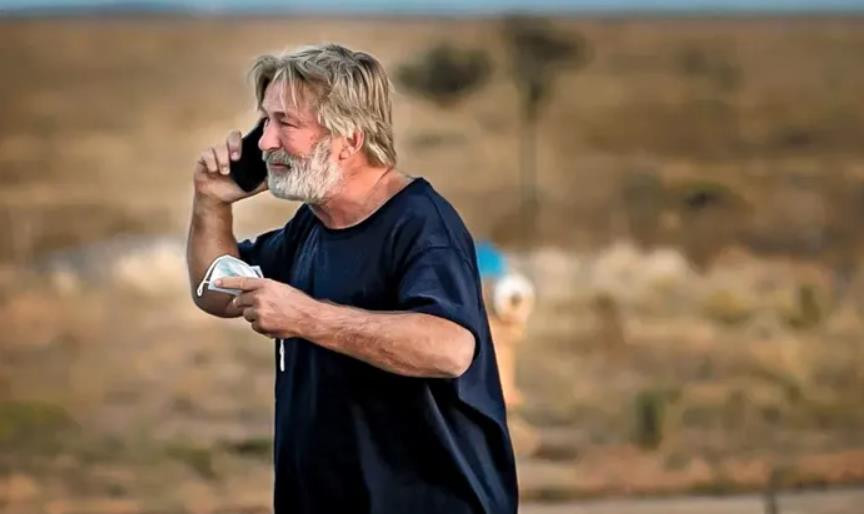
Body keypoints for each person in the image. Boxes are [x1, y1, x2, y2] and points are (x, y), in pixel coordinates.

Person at [186, 43, 517, 514]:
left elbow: (450, 348)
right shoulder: (311, 225)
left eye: (286, 124)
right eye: (265, 121)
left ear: (349, 139)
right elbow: (217, 291)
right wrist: (211, 203)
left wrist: (306, 318)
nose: (263, 142)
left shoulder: (422, 225)